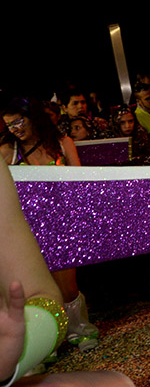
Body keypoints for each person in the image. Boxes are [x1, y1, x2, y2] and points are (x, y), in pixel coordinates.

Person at [0, 159, 135, 387]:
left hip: (57, 220)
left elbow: (41, 296)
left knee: (115, 383)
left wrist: (17, 348)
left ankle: (81, 330)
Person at [0, 99, 99, 354]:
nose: (15, 129)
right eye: (9, 125)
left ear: (33, 117)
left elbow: (80, 183)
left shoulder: (61, 143)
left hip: (62, 226)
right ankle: (46, 343)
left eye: (19, 122)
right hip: (26, 232)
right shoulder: (7, 152)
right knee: (38, 292)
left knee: (67, 288)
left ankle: (80, 331)